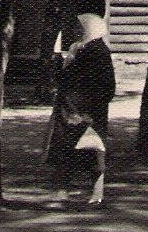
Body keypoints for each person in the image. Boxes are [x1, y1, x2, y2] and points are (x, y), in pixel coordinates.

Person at [44, 13, 115, 206]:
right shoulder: (81, 49)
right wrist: (59, 57)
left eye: (80, 27)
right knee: (69, 150)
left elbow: (107, 87)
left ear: (89, 29)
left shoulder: (98, 52)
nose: (76, 31)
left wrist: (89, 112)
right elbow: (63, 79)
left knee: (92, 150)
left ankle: (95, 194)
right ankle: (64, 192)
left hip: (86, 113)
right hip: (71, 111)